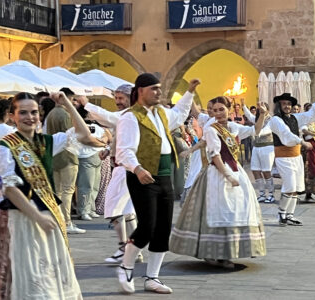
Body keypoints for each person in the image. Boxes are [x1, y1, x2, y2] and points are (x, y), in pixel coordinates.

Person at [0, 91, 100, 299]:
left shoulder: (46, 142)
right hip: (21, 221)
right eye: (24, 112)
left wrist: (66, 104)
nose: (30, 117)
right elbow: (9, 189)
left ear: (41, 114)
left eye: (34, 112)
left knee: (49, 277)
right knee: (27, 277)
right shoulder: (4, 148)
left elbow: (83, 134)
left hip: (47, 217)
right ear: (12, 116)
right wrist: (37, 216)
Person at [115, 74, 200, 294]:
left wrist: (190, 91)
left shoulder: (161, 113)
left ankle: (152, 277)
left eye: (159, 89)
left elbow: (180, 113)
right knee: (147, 226)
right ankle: (126, 267)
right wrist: (137, 168)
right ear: (141, 90)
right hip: (142, 175)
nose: (159, 93)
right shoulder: (130, 117)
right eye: (154, 89)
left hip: (163, 176)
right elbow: (124, 150)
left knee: (162, 228)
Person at [169, 97, 267, 269]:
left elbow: (255, 131)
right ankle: (214, 253)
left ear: (229, 109)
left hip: (236, 171)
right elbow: (215, 155)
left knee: (237, 211)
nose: (218, 113)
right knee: (219, 211)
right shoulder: (211, 129)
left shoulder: (233, 127)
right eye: (214, 110)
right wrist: (228, 176)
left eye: (221, 109)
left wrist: (262, 115)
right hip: (217, 174)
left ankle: (228, 253)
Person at [77, 84, 143, 264]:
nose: (118, 102)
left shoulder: (130, 114)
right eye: (117, 98)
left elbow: (110, 118)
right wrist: (109, 150)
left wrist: (87, 104)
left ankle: (125, 247)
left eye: (121, 98)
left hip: (126, 168)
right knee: (128, 211)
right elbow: (119, 137)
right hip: (125, 167)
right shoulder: (129, 115)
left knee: (113, 208)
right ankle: (133, 248)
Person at [266, 92, 315, 226]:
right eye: (284, 104)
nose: (287, 106)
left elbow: (310, 116)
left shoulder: (295, 118)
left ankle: (290, 215)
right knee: (290, 185)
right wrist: (302, 142)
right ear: (279, 105)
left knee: (297, 186)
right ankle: (282, 213)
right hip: (284, 156)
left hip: (296, 156)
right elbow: (285, 134)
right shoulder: (276, 120)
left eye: (288, 104)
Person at [46, 88, 85, 234]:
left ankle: (58, 220)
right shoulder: (65, 114)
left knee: (58, 191)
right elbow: (72, 136)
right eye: (73, 99)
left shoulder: (51, 114)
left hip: (54, 156)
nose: (74, 102)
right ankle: (67, 222)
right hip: (67, 156)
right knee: (68, 191)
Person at [242, 100, 276, 203]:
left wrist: (254, 132)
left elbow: (265, 131)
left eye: (262, 107)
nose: (260, 109)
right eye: (259, 108)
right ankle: (261, 194)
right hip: (256, 147)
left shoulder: (271, 120)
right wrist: (243, 105)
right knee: (255, 170)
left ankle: (271, 194)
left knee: (266, 171)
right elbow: (249, 115)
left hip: (267, 147)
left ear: (267, 109)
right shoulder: (257, 119)